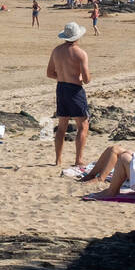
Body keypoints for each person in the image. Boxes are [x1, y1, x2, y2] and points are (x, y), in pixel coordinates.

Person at [47, 22, 91, 167]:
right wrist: (77, 78)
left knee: (62, 126)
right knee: (83, 125)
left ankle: (57, 159)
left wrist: (62, 77)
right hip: (75, 90)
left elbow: (49, 73)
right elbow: (86, 79)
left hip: (61, 88)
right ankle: (78, 159)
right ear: (77, 36)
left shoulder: (56, 51)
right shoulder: (80, 53)